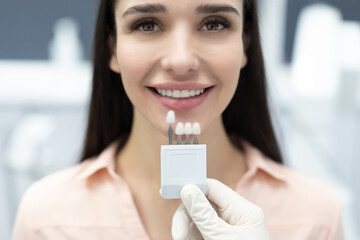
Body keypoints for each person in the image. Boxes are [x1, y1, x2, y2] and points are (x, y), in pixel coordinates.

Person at [12, 0, 344, 239]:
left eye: (214, 23)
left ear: (245, 43)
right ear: (112, 46)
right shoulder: (45, 217)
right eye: (147, 24)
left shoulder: (317, 217)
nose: (181, 60)